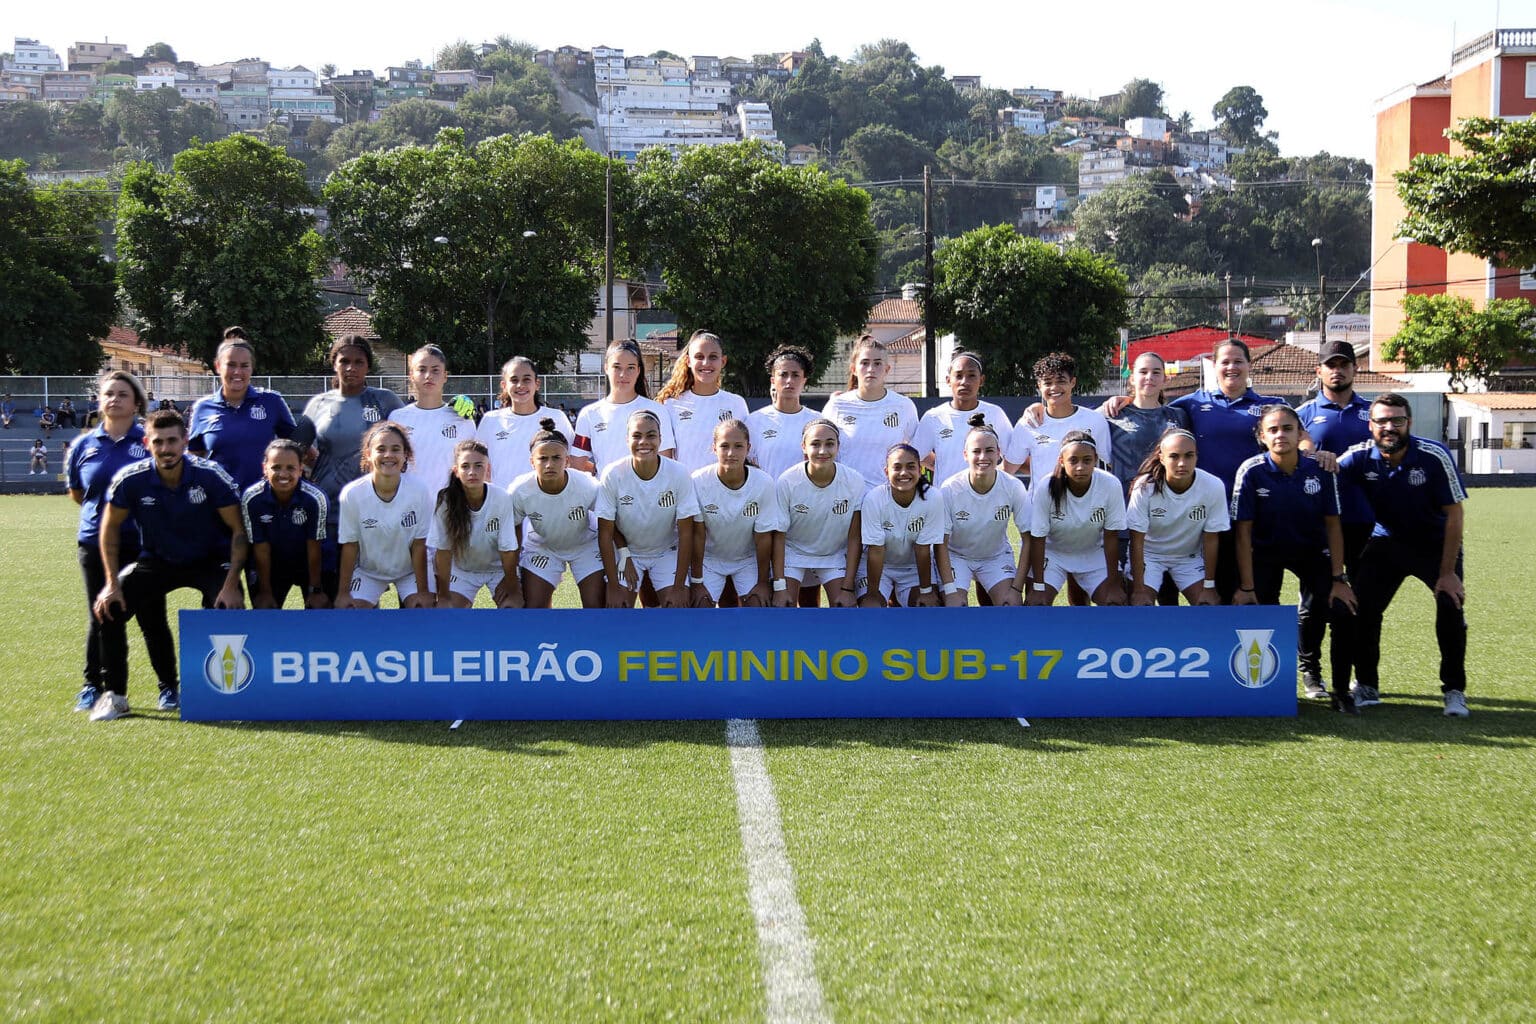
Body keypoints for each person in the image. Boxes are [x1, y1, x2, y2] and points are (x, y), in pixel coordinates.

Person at [92, 409, 247, 720]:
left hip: (209, 561)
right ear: (147, 442)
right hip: (157, 561)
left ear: (185, 441)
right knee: (109, 609)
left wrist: (231, 584)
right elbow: (108, 530)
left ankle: (216, 693)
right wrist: (111, 584)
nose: (166, 449)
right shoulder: (131, 479)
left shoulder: (210, 475)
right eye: (159, 442)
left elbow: (239, 532)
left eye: (173, 441)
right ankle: (116, 696)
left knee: (229, 608)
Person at [1337, 394, 1470, 716]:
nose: (1389, 427)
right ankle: (1366, 683)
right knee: (1363, 610)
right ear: (1370, 425)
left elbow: (1455, 515)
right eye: (1381, 421)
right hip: (1387, 544)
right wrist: (1316, 455)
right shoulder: (1358, 457)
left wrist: (1448, 572)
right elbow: (1323, 474)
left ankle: (1454, 690)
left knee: (1449, 607)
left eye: (1396, 420)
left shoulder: (1433, 455)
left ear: (1409, 423)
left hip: (1435, 545)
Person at [1231, 406, 1357, 708]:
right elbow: (1243, 533)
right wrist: (1247, 586)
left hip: (1312, 552)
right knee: (1262, 611)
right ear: (1262, 436)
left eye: (1287, 428)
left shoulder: (1320, 470)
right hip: (1266, 552)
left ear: (1300, 433)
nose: (1280, 435)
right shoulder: (1251, 470)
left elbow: (1333, 525)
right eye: (1272, 430)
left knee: (1328, 610)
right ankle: (1269, 686)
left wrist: (1339, 578)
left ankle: (1320, 677)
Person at [1154, 339, 1289, 603]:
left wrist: (1314, 452)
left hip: (1256, 514)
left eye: (1238, 361)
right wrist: (1119, 400)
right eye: (1224, 362)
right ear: (1214, 366)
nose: (1231, 367)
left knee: (1262, 592)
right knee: (1218, 594)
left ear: (1249, 365)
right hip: (1209, 516)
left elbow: (1301, 436)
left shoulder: (1270, 406)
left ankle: (1263, 644)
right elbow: (1149, 408)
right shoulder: (1192, 403)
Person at [292, 335, 404, 601]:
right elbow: (293, 448)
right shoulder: (319, 405)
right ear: (334, 364)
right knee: (325, 596)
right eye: (344, 361)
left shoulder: (384, 400)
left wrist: (454, 410)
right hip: (328, 513)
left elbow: (415, 431)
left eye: (358, 362)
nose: (351, 368)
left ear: (368, 366)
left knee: (364, 599)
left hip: (372, 512)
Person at [1294, 340, 1374, 693]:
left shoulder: (1372, 413)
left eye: (1344, 364)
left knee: (1362, 602)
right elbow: (1299, 446)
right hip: (1318, 523)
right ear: (1319, 371)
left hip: (1364, 521)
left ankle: (1361, 676)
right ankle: (1311, 671)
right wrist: (1313, 453)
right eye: (1331, 364)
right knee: (1314, 603)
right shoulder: (1306, 413)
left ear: (1355, 369)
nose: (1337, 370)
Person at [65, 370, 147, 713]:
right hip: (93, 543)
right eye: (108, 394)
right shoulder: (84, 445)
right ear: (100, 401)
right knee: (99, 613)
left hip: (137, 541)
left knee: (147, 615)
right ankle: (92, 685)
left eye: (122, 394)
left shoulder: (147, 442)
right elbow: (78, 493)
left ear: (136, 403)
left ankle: (167, 686)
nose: (114, 399)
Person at [597, 409, 699, 608]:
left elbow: (687, 532)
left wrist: (679, 586)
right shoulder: (613, 474)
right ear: (627, 440)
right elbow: (605, 532)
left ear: (660, 439)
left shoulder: (678, 473)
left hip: (666, 551)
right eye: (637, 436)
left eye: (651, 435)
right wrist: (614, 585)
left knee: (676, 607)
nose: (644, 442)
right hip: (628, 552)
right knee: (618, 608)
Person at [508, 418, 606, 609]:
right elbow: (513, 526)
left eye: (556, 458)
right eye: (542, 458)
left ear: (567, 460)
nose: (549, 464)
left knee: (596, 608)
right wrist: (511, 574)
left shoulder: (587, 485)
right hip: (543, 546)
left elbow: (607, 520)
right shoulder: (519, 490)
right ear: (531, 462)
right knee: (534, 609)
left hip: (585, 546)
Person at [1125, 429, 1229, 607]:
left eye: (1189, 456)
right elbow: (1136, 541)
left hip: (1188, 557)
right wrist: (1139, 590)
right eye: (1174, 456)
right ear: (1162, 457)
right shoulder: (1144, 487)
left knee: (1208, 607)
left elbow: (1211, 539)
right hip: (1149, 556)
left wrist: (1209, 586)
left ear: (1197, 456)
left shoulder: (1213, 485)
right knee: (1141, 608)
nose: (1182, 463)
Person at [335, 422, 433, 610]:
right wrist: (342, 592)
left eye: (396, 449)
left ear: (406, 455)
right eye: (381, 449)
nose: (388, 455)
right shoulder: (352, 494)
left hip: (409, 572)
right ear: (368, 455)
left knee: (422, 609)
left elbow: (419, 545)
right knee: (350, 610)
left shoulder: (419, 491)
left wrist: (422, 591)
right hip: (368, 572)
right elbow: (350, 546)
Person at [186, 327, 298, 491]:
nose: (237, 372)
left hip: (264, 503)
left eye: (244, 365)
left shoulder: (272, 402)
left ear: (252, 367)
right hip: (219, 504)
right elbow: (194, 459)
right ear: (218, 366)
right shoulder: (203, 408)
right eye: (231, 365)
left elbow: (299, 448)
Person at [1025, 431, 1128, 607]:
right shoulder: (1046, 487)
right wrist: (1039, 586)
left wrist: (1112, 583)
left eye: (1087, 460)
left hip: (1093, 553)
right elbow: (1038, 538)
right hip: (1053, 554)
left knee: (1115, 602)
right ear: (1061, 461)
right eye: (1073, 460)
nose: (1080, 467)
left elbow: (1111, 536)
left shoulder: (1110, 484)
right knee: (1036, 605)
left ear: (1096, 459)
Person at [937, 414, 1031, 607]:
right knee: (954, 607)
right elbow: (941, 544)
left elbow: (1029, 539)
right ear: (965, 455)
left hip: (995, 557)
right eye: (976, 451)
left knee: (1010, 605)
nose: (983, 457)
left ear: (999, 453)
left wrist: (1016, 589)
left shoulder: (1013, 486)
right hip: (957, 556)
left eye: (989, 451)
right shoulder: (950, 488)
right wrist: (949, 590)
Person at [772, 418, 866, 608]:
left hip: (833, 555)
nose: (823, 451)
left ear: (838, 446)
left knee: (845, 608)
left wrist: (847, 588)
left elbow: (855, 537)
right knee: (783, 607)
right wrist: (780, 586)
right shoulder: (787, 481)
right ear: (804, 447)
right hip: (793, 553)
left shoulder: (854, 481)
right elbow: (779, 536)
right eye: (815, 444)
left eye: (829, 444)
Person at [688, 418, 783, 607]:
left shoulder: (763, 483)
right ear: (714, 448)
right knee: (700, 608)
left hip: (748, 560)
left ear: (748, 448)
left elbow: (763, 538)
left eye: (738, 446)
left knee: (759, 605)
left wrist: (763, 582)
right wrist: (697, 582)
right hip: (710, 559)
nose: (731, 453)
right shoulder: (698, 481)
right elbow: (697, 536)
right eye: (724, 446)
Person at [429, 439, 522, 608]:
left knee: (512, 609)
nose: (472, 471)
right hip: (463, 571)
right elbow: (443, 551)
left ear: (488, 469)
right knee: (450, 613)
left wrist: (512, 585)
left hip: (498, 570)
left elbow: (508, 550)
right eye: (465, 466)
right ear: (456, 471)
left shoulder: (502, 498)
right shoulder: (445, 500)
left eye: (478, 465)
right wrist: (443, 595)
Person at [241, 438, 329, 610]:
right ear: (264, 468)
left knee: (320, 610)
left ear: (301, 469)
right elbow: (261, 547)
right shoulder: (252, 498)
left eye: (290, 468)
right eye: (276, 467)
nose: (283, 474)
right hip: (273, 564)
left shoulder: (315, 498)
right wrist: (265, 591)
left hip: (308, 562)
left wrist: (315, 589)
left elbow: (314, 545)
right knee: (265, 610)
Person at [820, 336, 919, 488]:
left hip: (887, 499)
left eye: (877, 363)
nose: (871, 369)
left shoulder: (904, 406)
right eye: (865, 363)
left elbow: (918, 452)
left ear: (887, 369)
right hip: (844, 497)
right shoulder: (837, 405)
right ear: (853, 369)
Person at [860, 443, 946, 607]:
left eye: (910, 467)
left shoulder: (932, 497)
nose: (904, 473)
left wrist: (926, 592)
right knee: (870, 608)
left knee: (928, 608)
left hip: (912, 568)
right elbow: (876, 551)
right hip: (880, 567)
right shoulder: (874, 499)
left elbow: (923, 549)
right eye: (897, 467)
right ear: (886, 472)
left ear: (920, 469)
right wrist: (871, 595)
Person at [912, 351, 1014, 487]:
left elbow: (1013, 458)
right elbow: (914, 456)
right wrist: (939, 465)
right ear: (948, 380)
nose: (964, 382)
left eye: (971, 376)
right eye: (958, 376)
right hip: (946, 502)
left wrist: (993, 477)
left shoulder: (995, 413)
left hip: (985, 501)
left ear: (981, 380)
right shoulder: (934, 417)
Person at [573, 339, 675, 474]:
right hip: (606, 494)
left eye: (630, 368)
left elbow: (665, 462)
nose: (623, 374)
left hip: (645, 493)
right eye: (617, 367)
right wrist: (600, 472)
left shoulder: (657, 411)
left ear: (638, 370)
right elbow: (576, 463)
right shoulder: (590, 414)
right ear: (606, 368)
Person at [1005, 351, 1113, 476]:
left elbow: (1109, 464)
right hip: (1040, 496)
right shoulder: (1028, 423)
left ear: (1072, 382)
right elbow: (1008, 468)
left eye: (1061, 381)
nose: (1054, 387)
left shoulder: (1095, 420)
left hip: (1085, 496)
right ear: (1039, 386)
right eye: (1048, 383)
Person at [389, 344, 476, 497]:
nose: (428, 375)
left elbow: (474, 467)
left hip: (451, 510)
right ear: (411, 375)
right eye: (422, 370)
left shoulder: (462, 419)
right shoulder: (397, 418)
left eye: (435, 370)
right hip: (409, 509)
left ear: (445, 376)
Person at [657, 330, 750, 472]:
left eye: (713, 357)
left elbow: (745, 453)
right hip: (686, 491)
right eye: (699, 357)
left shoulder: (736, 403)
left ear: (723, 361)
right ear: (688, 361)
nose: (706, 363)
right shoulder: (671, 405)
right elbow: (665, 460)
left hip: (724, 491)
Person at [476, 356, 574, 481]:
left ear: (537, 384)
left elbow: (571, 461)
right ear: (504, 385)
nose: (520, 385)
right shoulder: (490, 420)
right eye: (514, 380)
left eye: (527, 379)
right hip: (502, 500)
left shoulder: (557, 417)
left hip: (544, 500)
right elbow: (478, 463)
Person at [745, 346, 822, 481]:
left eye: (795, 375)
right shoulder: (754, 421)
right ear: (773, 380)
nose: (789, 381)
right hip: (767, 499)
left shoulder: (817, 421)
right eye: (783, 374)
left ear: (804, 380)